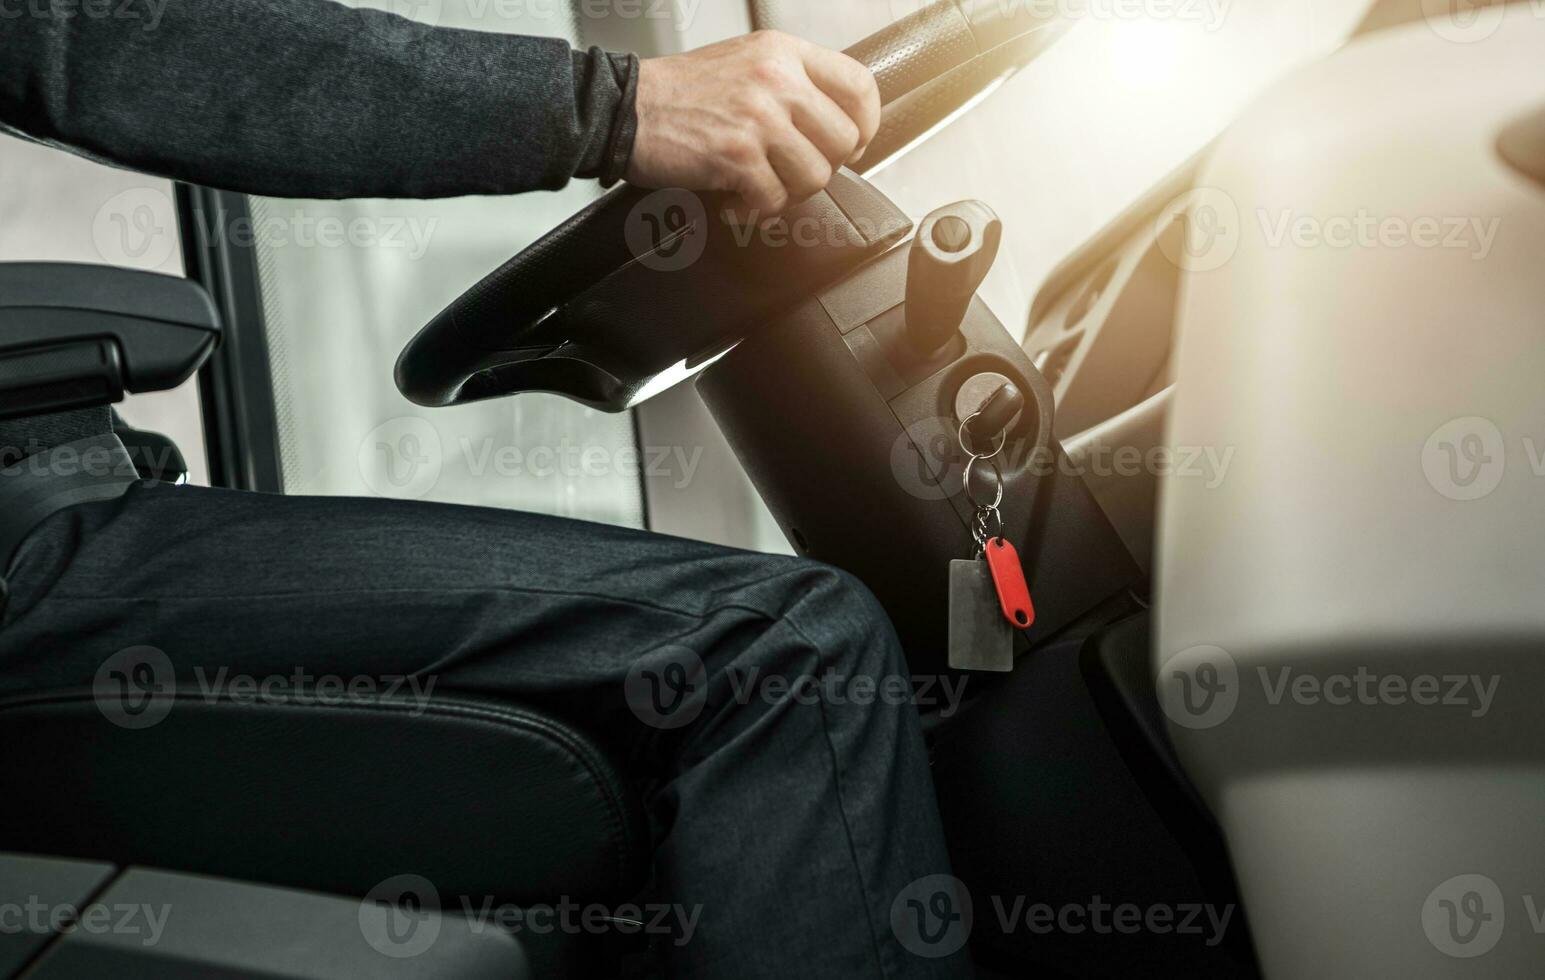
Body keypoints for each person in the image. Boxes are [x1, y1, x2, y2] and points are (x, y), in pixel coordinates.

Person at [0, 3, 971, 978]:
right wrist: (622, 107)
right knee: (788, 654)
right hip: (26, 551)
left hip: (54, 511)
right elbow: (97, 34)